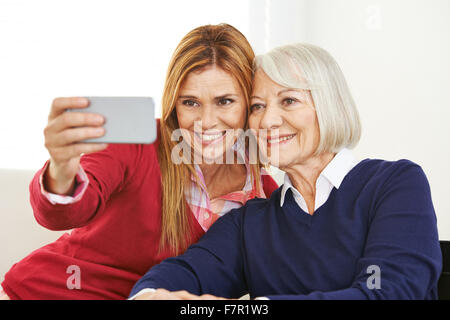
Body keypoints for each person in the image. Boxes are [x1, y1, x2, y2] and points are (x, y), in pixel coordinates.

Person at [129, 43, 442, 300]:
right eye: (257, 107)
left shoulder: (394, 185)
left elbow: (390, 292)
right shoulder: (249, 222)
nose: (267, 122)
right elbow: (188, 271)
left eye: (288, 101)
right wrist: (149, 295)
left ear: (330, 105)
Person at [0, 24, 278, 300]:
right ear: (173, 102)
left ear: (250, 103)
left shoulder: (264, 196)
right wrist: (61, 166)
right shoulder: (140, 142)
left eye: (225, 101)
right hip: (41, 292)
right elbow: (62, 214)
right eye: (190, 103)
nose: (205, 122)